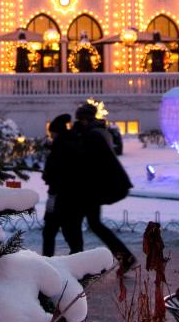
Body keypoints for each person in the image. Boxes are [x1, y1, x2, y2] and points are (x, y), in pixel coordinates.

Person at [65, 103, 136, 270]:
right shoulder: (97, 133)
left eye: (80, 119)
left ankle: (78, 261)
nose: (79, 122)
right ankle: (125, 257)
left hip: (91, 189)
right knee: (93, 224)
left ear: (85, 119)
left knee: (76, 223)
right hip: (92, 188)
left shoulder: (93, 136)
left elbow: (86, 160)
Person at [41, 114, 82, 256]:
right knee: (70, 232)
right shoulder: (70, 143)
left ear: (57, 132)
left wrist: (48, 177)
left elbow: (52, 172)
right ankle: (78, 259)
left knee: (51, 232)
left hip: (60, 195)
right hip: (70, 196)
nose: (51, 136)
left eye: (52, 133)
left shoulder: (60, 148)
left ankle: (48, 261)